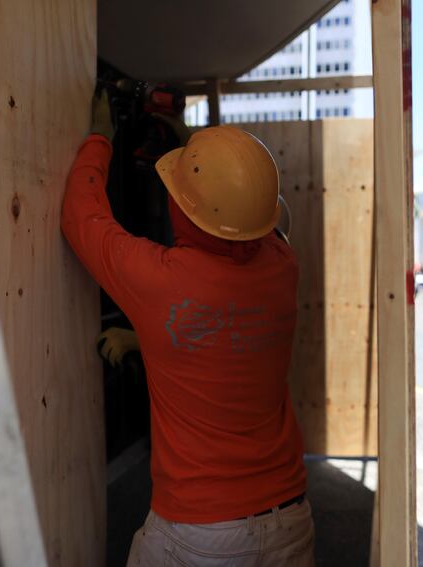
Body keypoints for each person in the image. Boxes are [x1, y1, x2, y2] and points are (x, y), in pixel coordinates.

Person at [61, 92, 313, 566]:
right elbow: (225, 326)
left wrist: (99, 136)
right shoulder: (283, 264)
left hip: (201, 532)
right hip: (291, 520)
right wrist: (146, 340)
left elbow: (82, 216)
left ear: (185, 209)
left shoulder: (160, 281)